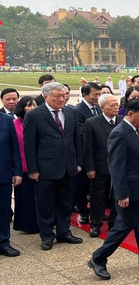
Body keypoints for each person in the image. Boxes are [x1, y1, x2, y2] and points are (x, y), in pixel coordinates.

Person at [87, 98, 139, 280]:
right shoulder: (120, 133)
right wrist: (122, 193)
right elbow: (116, 166)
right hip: (130, 192)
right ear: (130, 114)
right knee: (124, 226)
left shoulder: (136, 129)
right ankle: (98, 258)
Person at [23, 82, 83, 250]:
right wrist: (33, 169)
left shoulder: (71, 112)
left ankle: (64, 232)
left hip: (69, 166)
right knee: (45, 203)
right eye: (58, 96)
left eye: (65, 95)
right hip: (45, 168)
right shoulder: (35, 115)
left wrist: (79, 162)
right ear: (46, 97)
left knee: (66, 202)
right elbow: (30, 144)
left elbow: (76, 139)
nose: (62, 99)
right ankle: (47, 235)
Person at [83, 94, 122, 237]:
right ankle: (96, 224)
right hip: (100, 167)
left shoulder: (122, 121)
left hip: (119, 167)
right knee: (98, 197)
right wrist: (90, 167)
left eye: (117, 104)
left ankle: (114, 223)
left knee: (117, 196)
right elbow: (88, 147)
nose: (116, 107)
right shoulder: (92, 123)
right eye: (112, 105)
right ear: (102, 107)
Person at [75, 82, 102, 225]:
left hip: (98, 154)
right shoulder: (78, 110)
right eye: (95, 94)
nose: (97, 97)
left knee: (96, 186)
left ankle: (96, 212)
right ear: (84, 95)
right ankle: (83, 212)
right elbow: (81, 133)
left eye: (99, 94)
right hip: (84, 154)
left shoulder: (98, 108)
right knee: (82, 186)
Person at [12, 96, 39, 234]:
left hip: (38, 165)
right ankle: (26, 224)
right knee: (25, 197)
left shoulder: (39, 122)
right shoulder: (15, 124)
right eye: (29, 105)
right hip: (22, 166)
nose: (33, 107)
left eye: (35, 104)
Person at [0, 112, 23, 257]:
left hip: (3, 173)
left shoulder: (6, 120)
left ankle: (3, 242)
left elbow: (14, 148)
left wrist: (17, 172)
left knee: (3, 211)